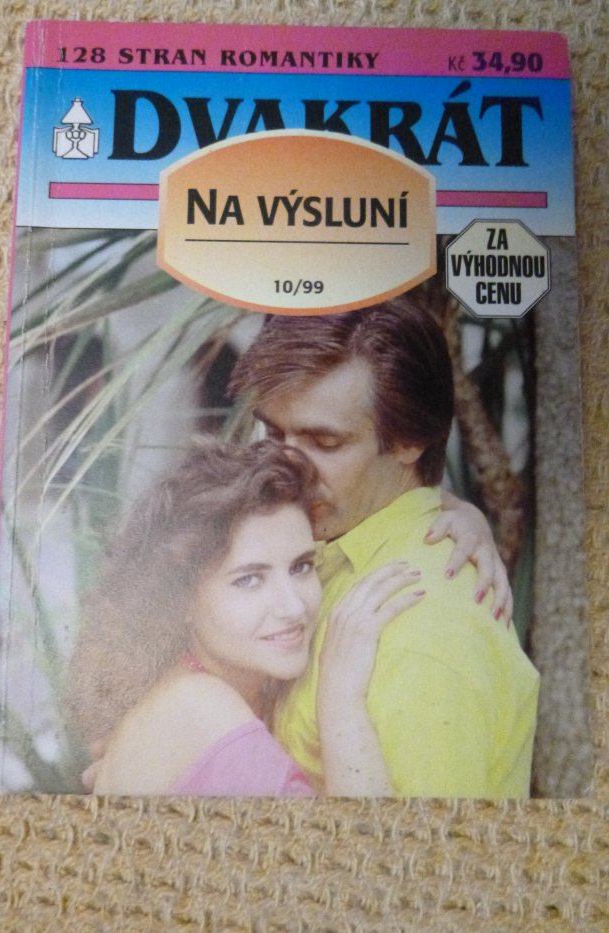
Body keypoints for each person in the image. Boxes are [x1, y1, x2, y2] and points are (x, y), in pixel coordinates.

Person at [229, 297, 540, 797]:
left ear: (409, 440)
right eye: (273, 432)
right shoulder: (314, 541)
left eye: (325, 443)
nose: (285, 466)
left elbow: (421, 847)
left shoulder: (423, 631)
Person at [69, 437, 425, 795]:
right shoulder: (202, 712)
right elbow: (359, 834)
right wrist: (341, 703)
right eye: (249, 580)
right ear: (180, 599)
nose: (293, 607)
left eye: (301, 566)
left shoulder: (189, 688)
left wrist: (445, 513)